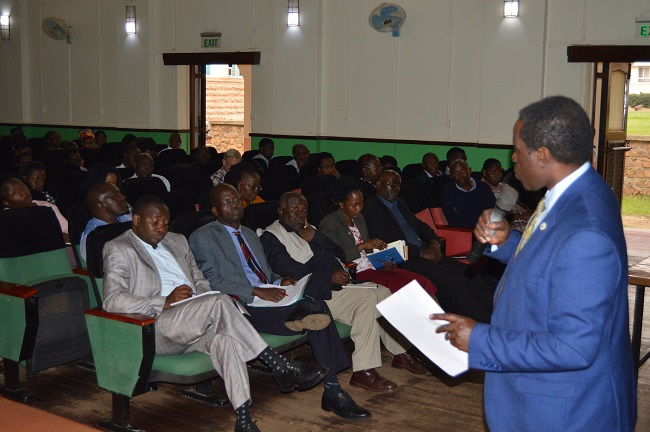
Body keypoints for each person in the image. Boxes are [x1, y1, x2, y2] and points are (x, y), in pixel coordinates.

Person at [433, 96, 637, 431]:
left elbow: (573, 346)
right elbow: (554, 265)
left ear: (543, 155)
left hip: (566, 412)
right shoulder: (580, 192)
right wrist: (505, 242)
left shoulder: (586, 231)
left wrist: (481, 339)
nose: (512, 159)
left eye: (517, 150)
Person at [103, 195, 329, 432]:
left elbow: (200, 280)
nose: (162, 229)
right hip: (158, 325)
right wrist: (164, 301)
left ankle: (244, 420)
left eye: (166, 223)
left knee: (226, 342)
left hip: (197, 319)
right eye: (155, 222)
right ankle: (278, 365)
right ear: (136, 220)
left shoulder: (178, 241)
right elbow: (112, 300)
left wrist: (200, 297)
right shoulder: (119, 248)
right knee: (220, 301)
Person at [189, 184, 371, 421]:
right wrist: (254, 290)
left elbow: (266, 272)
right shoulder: (202, 237)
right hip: (244, 306)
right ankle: (333, 391)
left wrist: (280, 280)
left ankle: (306, 305)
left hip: (272, 295)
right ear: (214, 210)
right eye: (227, 202)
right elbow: (211, 280)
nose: (234, 204)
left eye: (236, 200)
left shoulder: (251, 234)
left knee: (318, 288)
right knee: (318, 309)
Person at [260, 192, 429, 395]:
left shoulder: (309, 230)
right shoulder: (272, 235)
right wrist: (328, 276)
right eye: (295, 208)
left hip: (338, 286)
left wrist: (317, 237)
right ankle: (363, 371)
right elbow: (286, 267)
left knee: (383, 292)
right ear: (281, 211)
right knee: (367, 299)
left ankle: (400, 351)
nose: (300, 212)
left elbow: (339, 253)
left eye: (304, 209)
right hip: (312, 293)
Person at [362, 170, 494, 323]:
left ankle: (498, 312)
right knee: (450, 281)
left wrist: (434, 242)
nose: (395, 188)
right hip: (406, 259)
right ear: (378, 184)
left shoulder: (400, 203)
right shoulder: (372, 208)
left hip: (425, 251)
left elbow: (420, 225)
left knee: (467, 272)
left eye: (398, 185)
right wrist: (421, 253)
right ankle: (485, 322)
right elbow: (387, 243)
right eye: (391, 184)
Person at [319, 176, 438, 298]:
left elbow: (369, 251)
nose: (359, 208)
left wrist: (384, 260)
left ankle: (440, 316)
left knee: (420, 281)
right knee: (403, 286)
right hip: (355, 271)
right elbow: (335, 256)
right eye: (354, 205)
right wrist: (363, 246)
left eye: (361, 203)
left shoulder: (359, 219)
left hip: (372, 265)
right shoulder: (330, 222)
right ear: (341, 204)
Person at [79, 182, 132, 260]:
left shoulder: (127, 218)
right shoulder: (94, 237)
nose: (123, 197)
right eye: (116, 196)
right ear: (103, 205)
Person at [1, 177, 68, 237]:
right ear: (7, 202)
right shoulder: (5, 218)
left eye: (21, 187)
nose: (22, 193)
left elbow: (67, 230)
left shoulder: (46, 206)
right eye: (14, 193)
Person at [440, 159, 495, 229]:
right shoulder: (448, 191)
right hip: (466, 233)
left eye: (463, 170)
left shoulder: (483, 187)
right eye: (455, 172)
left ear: (469, 170)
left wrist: (463, 214)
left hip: (489, 230)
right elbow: (454, 222)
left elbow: (493, 213)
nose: (460, 175)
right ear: (451, 176)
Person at [481, 157, 530, 232]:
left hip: (524, 217)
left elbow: (518, 202)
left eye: (500, 172)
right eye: (494, 172)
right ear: (484, 173)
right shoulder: (482, 189)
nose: (498, 175)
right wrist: (521, 216)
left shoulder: (504, 185)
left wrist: (531, 212)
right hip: (511, 223)